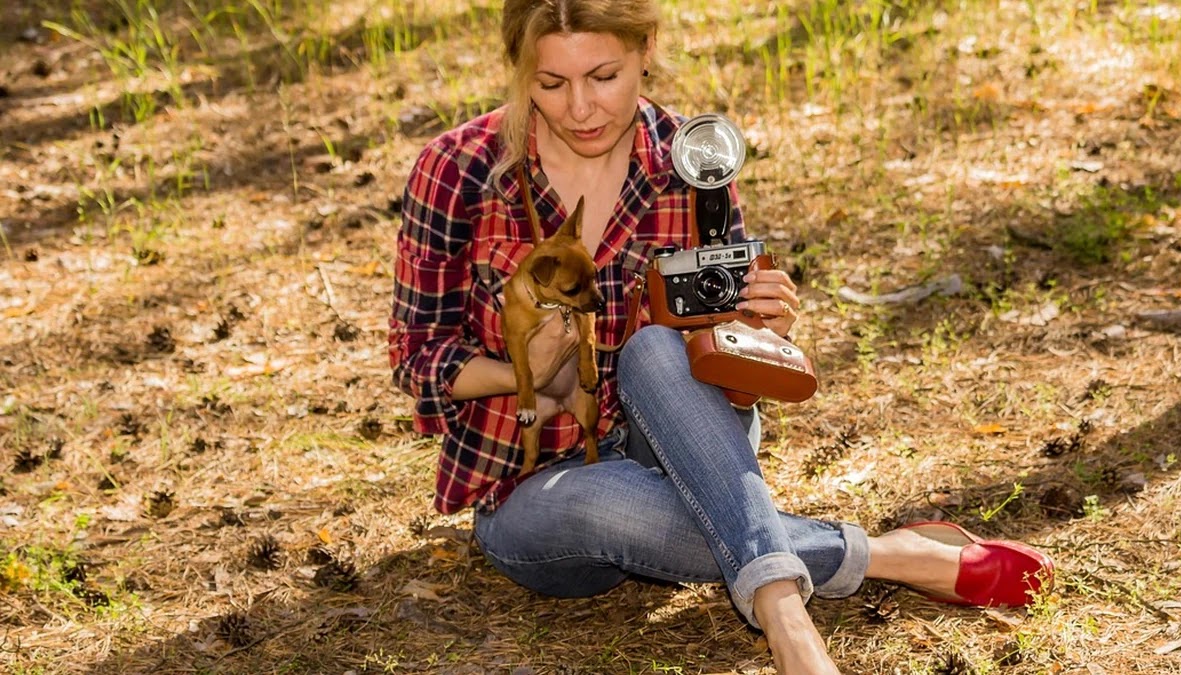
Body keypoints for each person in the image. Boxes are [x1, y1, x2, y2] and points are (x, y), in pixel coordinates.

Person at [388, 1, 1055, 672]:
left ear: (646, 49)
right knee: (597, 500)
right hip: (534, 487)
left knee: (655, 348)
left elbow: (722, 373)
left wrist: (760, 336)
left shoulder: (695, 160)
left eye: (604, 76)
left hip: (681, 441)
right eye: (551, 83)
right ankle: (889, 556)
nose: (581, 108)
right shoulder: (460, 169)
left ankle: (783, 616)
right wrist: (522, 372)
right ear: (519, 72)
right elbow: (417, 356)